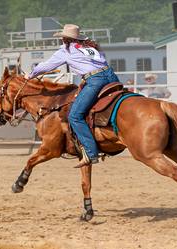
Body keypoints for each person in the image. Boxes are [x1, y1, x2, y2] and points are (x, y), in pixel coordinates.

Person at [25, 24, 120, 167]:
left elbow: (47, 66)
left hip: (95, 80)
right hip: (111, 76)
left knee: (75, 115)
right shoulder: (88, 47)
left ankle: (91, 151)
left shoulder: (66, 50)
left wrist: (30, 75)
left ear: (64, 38)